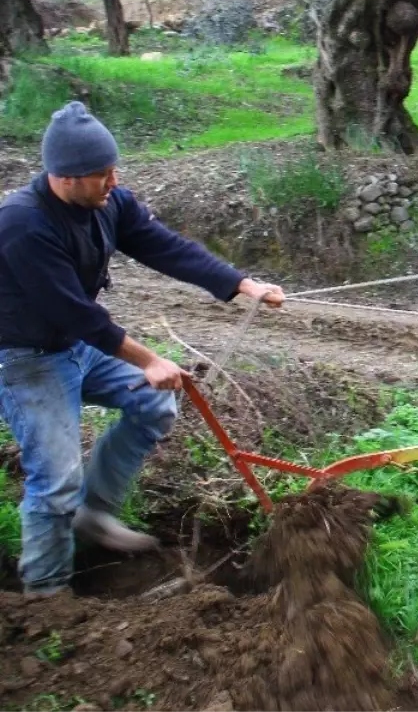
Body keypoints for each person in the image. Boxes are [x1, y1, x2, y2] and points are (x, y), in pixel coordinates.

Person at [0, 101, 285, 596]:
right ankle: (45, 598)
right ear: (64, 177)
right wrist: (149, 359)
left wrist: (241, 284)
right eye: (101, 175)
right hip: (26, 359)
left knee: (153, 403)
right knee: (56, 479)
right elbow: (76, 312)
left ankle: (94, 515)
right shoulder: (22, 225)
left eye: (114, 170)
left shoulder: (108, 203)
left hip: (73, 345)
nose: (113, 182)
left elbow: (164, 246)